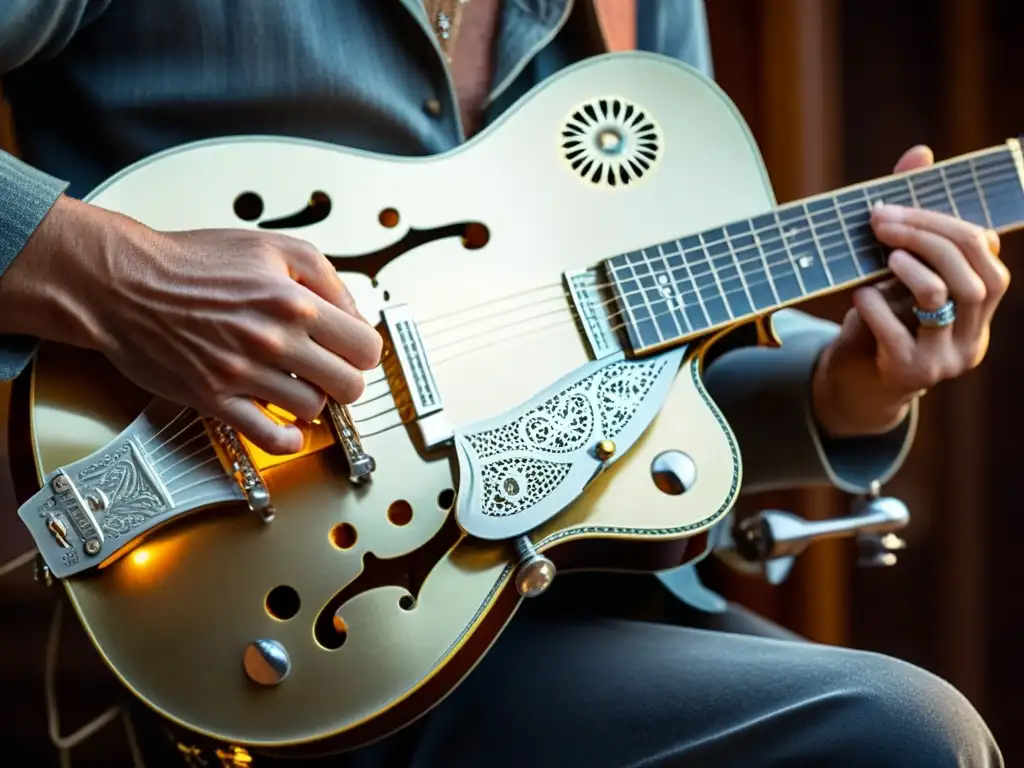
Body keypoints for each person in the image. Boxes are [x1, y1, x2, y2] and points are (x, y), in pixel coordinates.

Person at [0, 1, 1009, 766]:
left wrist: (850, 388)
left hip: (571, 596)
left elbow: (652, 364)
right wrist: (119, 276)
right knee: (902, 737)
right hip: (270, 607)